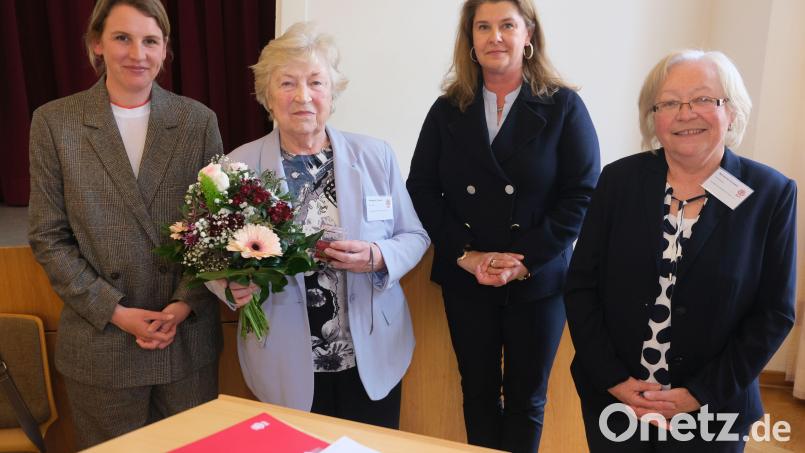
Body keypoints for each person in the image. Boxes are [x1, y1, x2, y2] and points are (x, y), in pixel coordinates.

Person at [564, 49, 797, 452]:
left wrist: (698, 393)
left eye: (704, 99)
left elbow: (774, 313)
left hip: (713, 408)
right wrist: (615, 381)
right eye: (669, 102)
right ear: (653, 116)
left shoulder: (770, 194)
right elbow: (582, 286)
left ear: (731, 110)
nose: (685, 113)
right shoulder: (619, 181)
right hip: (616, 401)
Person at [406, 0, 600, 451]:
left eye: (507, 25)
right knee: (476, 394)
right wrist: (465, 254)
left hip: (537, 278)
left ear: (528, 34)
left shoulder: (563, 107)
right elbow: (421, 188)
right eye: (484, 27)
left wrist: (524, 259)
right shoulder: (446, 110)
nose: (495, 36)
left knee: (526, 400)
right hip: (466, 275)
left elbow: (583, 193)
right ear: (470, 40)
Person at [27, 0, 223, 448]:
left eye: (150, 40)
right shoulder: (56, 122)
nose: (138, 52)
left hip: (185, 338)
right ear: (96, 44)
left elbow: (218, 229)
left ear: (165, 48)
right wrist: (115, 312)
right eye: (122, 37)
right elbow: (48, 236)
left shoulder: (198, 121)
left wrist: (183, 304)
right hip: (102, 345)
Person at [217, 22, 429, 429]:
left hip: (372, 355)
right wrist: (229, 286)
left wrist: (378, 255)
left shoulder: (375, 155)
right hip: (282, 358)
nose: (303, 96)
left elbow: (414, 236)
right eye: (287, 83)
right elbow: (216, 257)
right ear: (267, 95)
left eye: (316, 82)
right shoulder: (237, 167)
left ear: (332, 93)